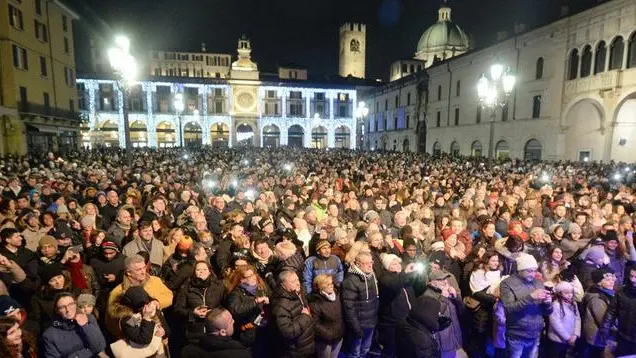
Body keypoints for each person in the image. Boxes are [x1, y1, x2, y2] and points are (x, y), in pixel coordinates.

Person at [106, 255, 173, 337]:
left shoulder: (155, 281)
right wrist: (129, 335)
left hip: (159, 337)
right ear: (128, 272)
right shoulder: (117, 292)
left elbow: (169, 297)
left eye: (144, 267)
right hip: (134, 342)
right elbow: (111, 323)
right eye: (138, 269)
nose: (143, 272)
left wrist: (156, 303)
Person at [500, 253, 552, 358]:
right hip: (517, 335)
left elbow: (546, 312)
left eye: (534, 270)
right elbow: (509, 308)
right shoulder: (507, 283)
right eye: (529, 271)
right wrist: (531, 297)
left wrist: (548, 304)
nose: (533, 274)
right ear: (520, 269)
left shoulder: (538, 283)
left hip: (535, 333)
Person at [41, 293, 107, 358]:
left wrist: (86, 325)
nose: (68, 310)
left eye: (70, 304)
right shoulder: (50, 335)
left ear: (75, 305)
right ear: (57, 311)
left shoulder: (89, 318)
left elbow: (100, 346)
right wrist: (87, 352)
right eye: (62, 307)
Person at [377, 253, 416, 358]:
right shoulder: (384, 278)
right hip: (391, 322)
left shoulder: (401, 277)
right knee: (390, 350)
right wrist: (405, 272)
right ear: (387, 266)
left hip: (405, 318)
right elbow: (394, 285)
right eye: (394, 264)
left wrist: (416, 273)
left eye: (398, 263)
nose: (398, 265)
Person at [225, 264, 272, 353]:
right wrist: (255, 302)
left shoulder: (262, 286)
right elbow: (236, 310)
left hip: (265, 329)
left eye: (253, 274)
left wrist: (269, 302)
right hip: (248, 332)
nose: (253, 277)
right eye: (249, 276)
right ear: (242, 280)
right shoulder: (236, 293)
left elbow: (272, 298)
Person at [174, 261, 224, 342]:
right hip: (194, 330)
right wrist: (192, 312)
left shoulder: (219, 286)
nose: (202, 272)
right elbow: (178, 309)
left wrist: (213, 312)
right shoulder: (186, 287)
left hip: (215, 328)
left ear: (209, 271)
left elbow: (224, 306)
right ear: (194, 272)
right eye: (198, 270)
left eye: (205, 269)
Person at [342, 251, 379, 358]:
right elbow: (349, 308)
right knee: (355, 353)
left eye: (371, 262)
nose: (370, 265)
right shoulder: (350, 281)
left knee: (365, 350)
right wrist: (356, 327)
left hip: (370, 323)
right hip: (358, 325)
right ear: (358, 264)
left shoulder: (371, 275)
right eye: (366, 263)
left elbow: (375, 300)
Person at [422, 269, 466, 358]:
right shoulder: (428, 296)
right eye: (441, 280)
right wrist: (443, 298)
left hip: (454, 336)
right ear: (432, 283)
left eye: (445, 279)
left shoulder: (447, 291)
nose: (445, 282)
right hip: (443, 341)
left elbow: (462, 311)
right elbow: (434, 316)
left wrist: (456, 297)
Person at [271, 270, 315, 358]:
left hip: (307, 344)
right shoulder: (281, 306)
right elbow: (288, 332)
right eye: (293, 281)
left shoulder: (298, 292)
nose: (298, 283)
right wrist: (305, 317)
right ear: (283, 285)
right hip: (296, 351)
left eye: (297, 280)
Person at [180, 308, 250, 358]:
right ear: (223, 332)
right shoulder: (242, 354)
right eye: (231, 321)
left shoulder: (187, 352)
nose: (234, 321)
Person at [581, 267, 616, 358]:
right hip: (597, 337)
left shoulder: (607, 293)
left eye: (612, 279)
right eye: (608, 280)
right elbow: (604, 320)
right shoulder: (597, 299)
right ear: (599, 282)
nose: (612, 281)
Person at [603, 265, 636, 356]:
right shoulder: (621, 291)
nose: (633, 280)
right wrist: (605, 330)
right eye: (631, 276)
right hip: (623, 337)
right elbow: (612, 312)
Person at [309, 274, 345, 358]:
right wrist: (328, 334)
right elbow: (314, 323)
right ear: (321, 286)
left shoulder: (337, 296)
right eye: (328, 284)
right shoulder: (315, 301)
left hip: (339, 336)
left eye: (331, 283)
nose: (331, 286)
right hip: (325, 340)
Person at [546, 281, 581, 358]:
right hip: (557, 339)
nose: (569, 295)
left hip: (569, 338)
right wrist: (567, 338)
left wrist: (575, 334)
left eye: (571, 292)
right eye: (566, 293)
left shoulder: (573, 304)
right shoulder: (556, 305)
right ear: (559, 293)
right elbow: (556, 324)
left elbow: (577, 319)